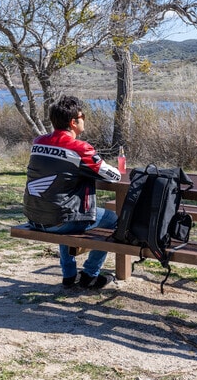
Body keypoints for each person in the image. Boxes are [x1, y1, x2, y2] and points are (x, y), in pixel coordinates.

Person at [23, 95, 121, 289]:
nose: (84, 119)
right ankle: (90, 274)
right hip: (59, 222)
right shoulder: (80, 148)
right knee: (115, 220)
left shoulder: (38, 142)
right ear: (73, 122)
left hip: (34, 217)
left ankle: (69, 275)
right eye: (82, 116)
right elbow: (114, 176)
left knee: (63, 208)